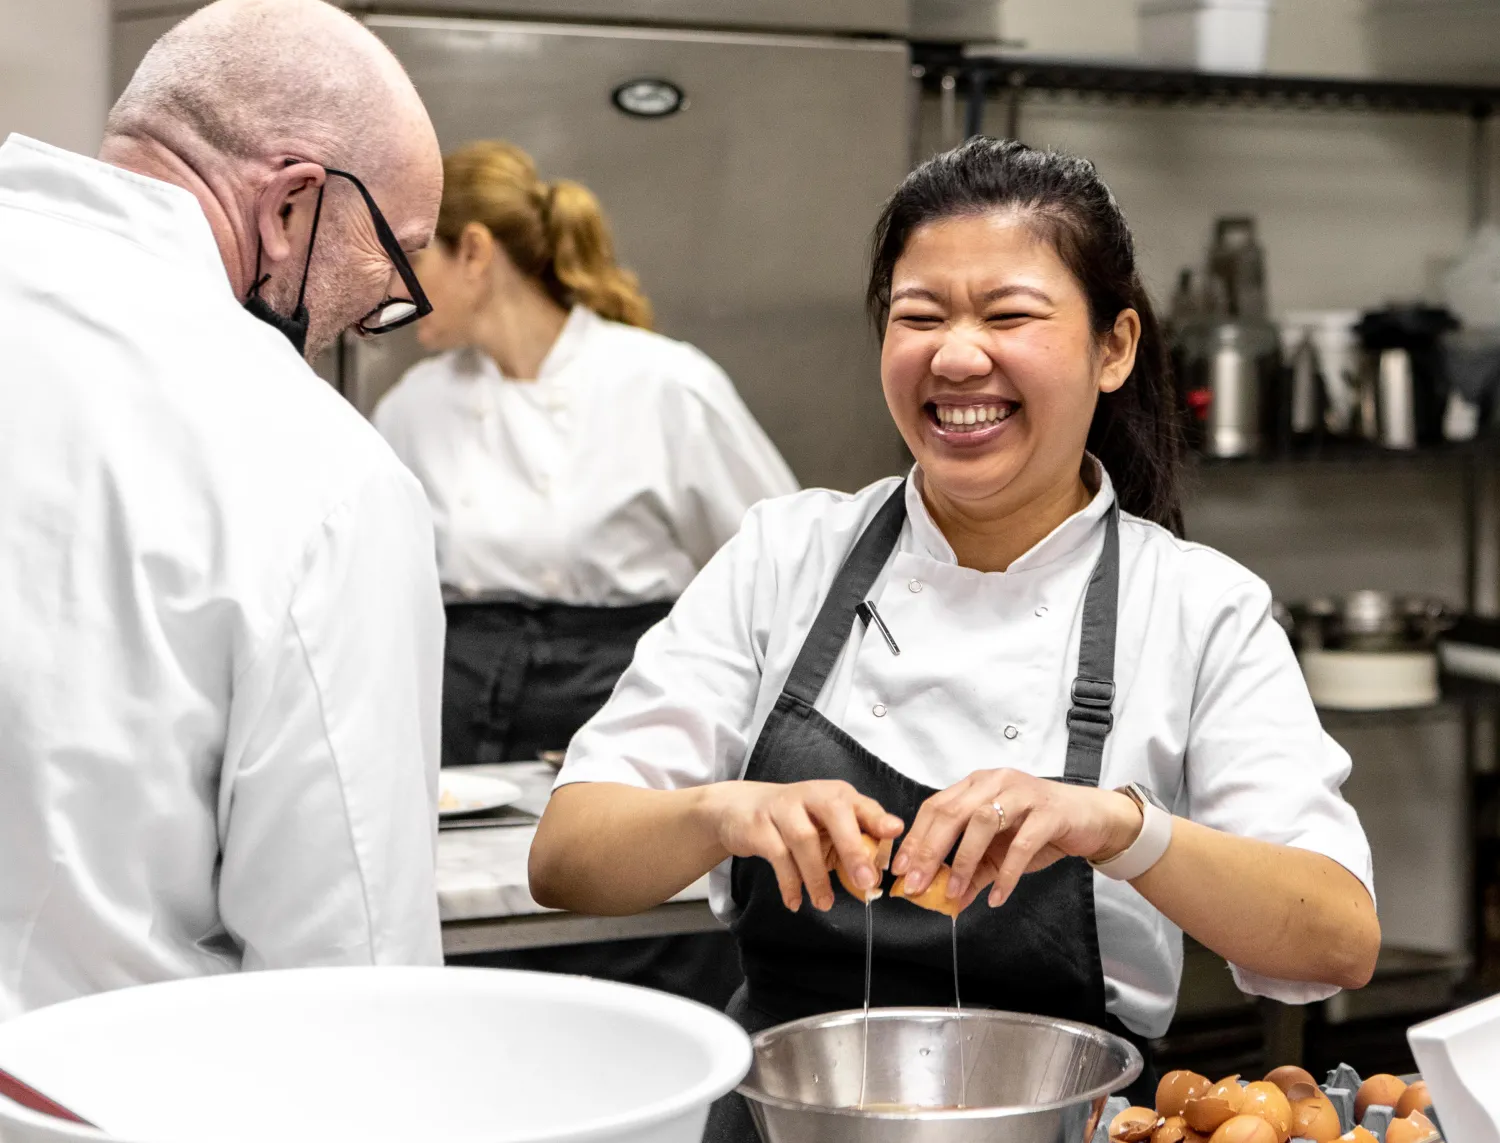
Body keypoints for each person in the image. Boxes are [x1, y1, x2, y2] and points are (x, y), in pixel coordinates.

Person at [529, 138, 1380, 1127]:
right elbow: (567, 855)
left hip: (1057, 1122)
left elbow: (1335, 939)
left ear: (1114, 347)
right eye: (919, 316)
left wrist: (1122, 828)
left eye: (1009, 315)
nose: (957, 355)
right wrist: (723, 813)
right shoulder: (784, 555)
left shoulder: (1199, 607)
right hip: (783, 1120)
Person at [0, 0, 448, 1020]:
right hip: (98, 1088)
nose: (378, 312)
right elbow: (351, 980)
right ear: (290, 205)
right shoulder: (319, 470)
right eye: (394, 252)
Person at [374, 140, 797, 768]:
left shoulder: (664, 385)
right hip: (455, 721)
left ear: (475, 253)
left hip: (621, 710)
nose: (390, 282)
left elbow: (782, 572)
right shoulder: (415, 405)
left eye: (411, 257)